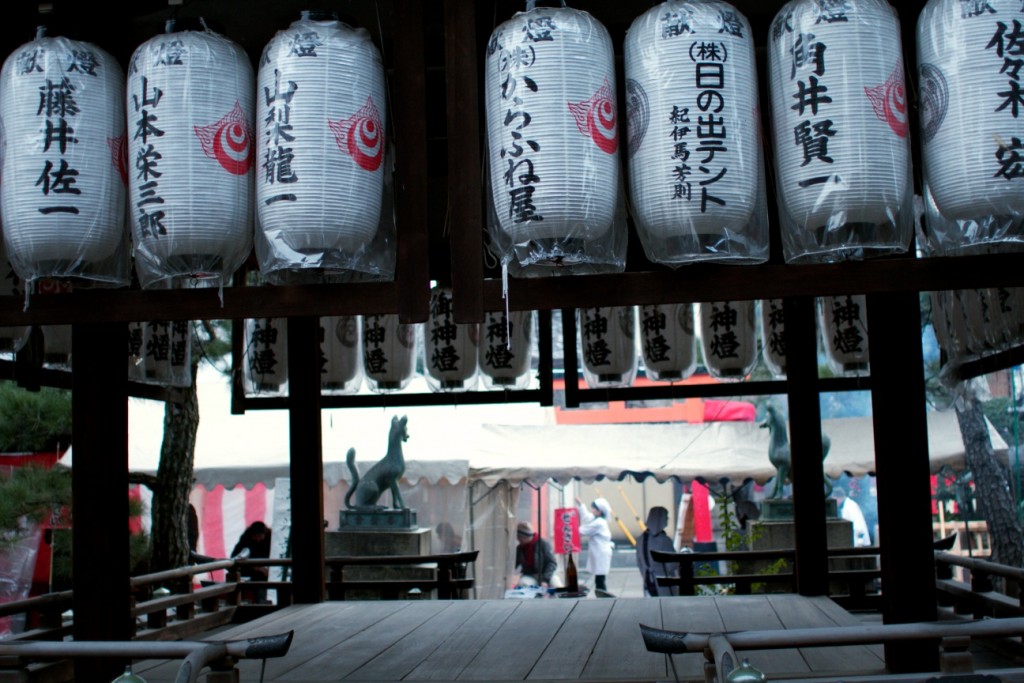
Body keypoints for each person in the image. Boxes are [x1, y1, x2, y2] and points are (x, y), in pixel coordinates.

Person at [636, 506, 679, 596]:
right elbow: (672, 565)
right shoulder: (664, 540)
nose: (667, 519)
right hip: (665, 584)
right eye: (666, 517)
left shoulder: (640, 539)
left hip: (647, 582)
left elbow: (639, 563)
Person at [575, 497, 614, 592]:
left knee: (600, 578)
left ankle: (603, 597)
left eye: (594, 508)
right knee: (599, 577)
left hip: (601, 552)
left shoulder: (599, 523)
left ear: (599, 511)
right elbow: (586, 517)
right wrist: (581, 504)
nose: (592, 510)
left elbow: (582, 531)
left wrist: (568, 527)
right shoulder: (598, 519)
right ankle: (601, 595)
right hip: (600, 552)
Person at [232, 521, 271, 603]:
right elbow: (235, 557)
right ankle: (260, 602)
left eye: (260, 536)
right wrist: (257, 568)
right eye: (255, 536)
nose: (258, 539)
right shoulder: (246, 539)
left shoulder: (270, 538)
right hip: (250, 570)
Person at [514, 521, 558, 587]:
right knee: (522, 584)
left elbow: (552, 563)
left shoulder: (543, 544)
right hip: (529, 576)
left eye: (519, 538)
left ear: (524, 537)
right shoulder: (520, 548)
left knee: (557, 586)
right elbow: (515, 564)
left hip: (546, 574)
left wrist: (545, 580)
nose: (518, 540)